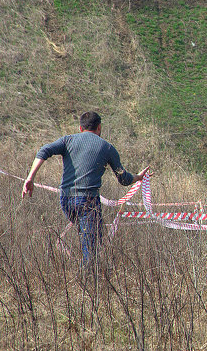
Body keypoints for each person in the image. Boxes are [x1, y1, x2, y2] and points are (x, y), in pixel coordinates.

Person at [22, 111, 143, 265]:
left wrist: (30, 178)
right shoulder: (107, 148)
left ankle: (85, 271)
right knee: (92, 249)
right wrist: (138, 177)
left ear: (80, 128)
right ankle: (89, 281)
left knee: (88, 237)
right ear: (99, 127)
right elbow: (124, 179)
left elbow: (43, 151)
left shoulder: (67, 140)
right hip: (87, 201)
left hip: (66, 200)